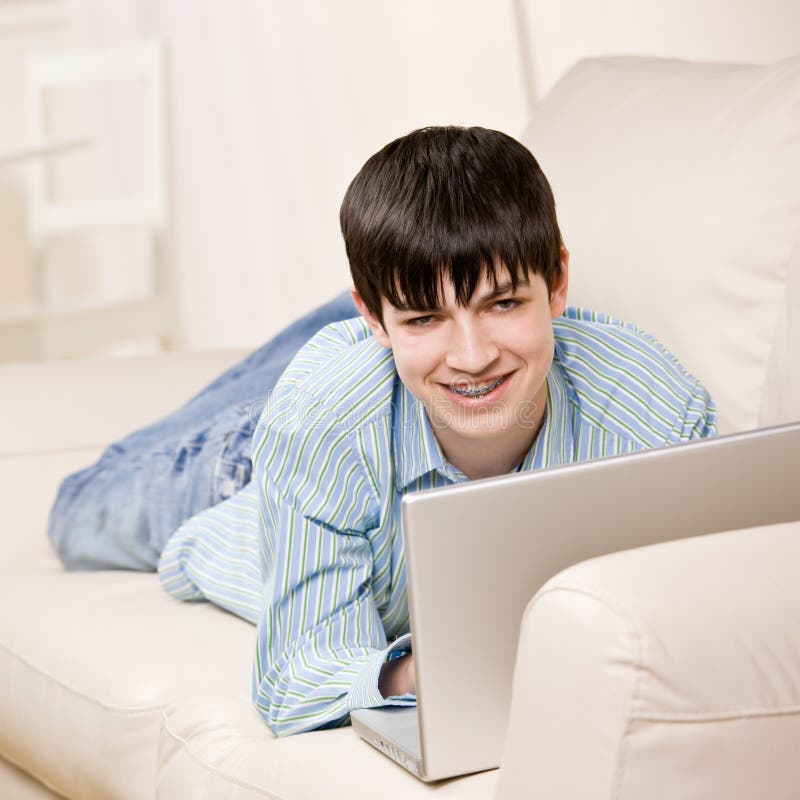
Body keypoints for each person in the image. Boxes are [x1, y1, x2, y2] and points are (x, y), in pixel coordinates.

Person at [50, 126, 717, 737]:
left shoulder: (657, 410)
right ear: (372, 315)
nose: (475, 353)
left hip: (390, 381)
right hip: (260, 463)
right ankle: (354, 335)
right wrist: (416, 675)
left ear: (559, 282)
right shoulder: (321, 423)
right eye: (424, 315)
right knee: (79, 515)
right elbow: (294, 679)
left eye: (505, 303)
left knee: (409, 360)